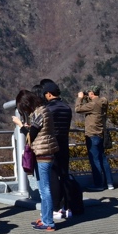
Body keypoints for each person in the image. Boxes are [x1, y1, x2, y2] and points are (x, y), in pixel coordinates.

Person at [13, 91, 57, 231]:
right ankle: (45, 218)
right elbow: (36, 131)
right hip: (45, 152)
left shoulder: (40, 112)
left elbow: (31, 135)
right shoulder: (44, 110)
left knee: (45, 190)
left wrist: (20, 125)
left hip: (43, 154)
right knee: (44, 188)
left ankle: (49, 222)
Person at [41, 81, 73, 221]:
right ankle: (67, 206)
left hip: (52, 145)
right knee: (65, 175)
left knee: (53, 177)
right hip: (64, 144)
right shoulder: (67, 107)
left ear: (48, 94)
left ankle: (55, 208)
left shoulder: (49, 109)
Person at [75, 86, 114, 190]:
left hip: (92, 135)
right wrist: (87, 97)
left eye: (89, 93)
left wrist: (80, 98)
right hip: (100, 134)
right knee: (103, 159)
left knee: (95, 160)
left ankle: (98, 184)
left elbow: (78, 109)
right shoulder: (102, 102)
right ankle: (109, 183)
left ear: (92, 93)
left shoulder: (92, 105)